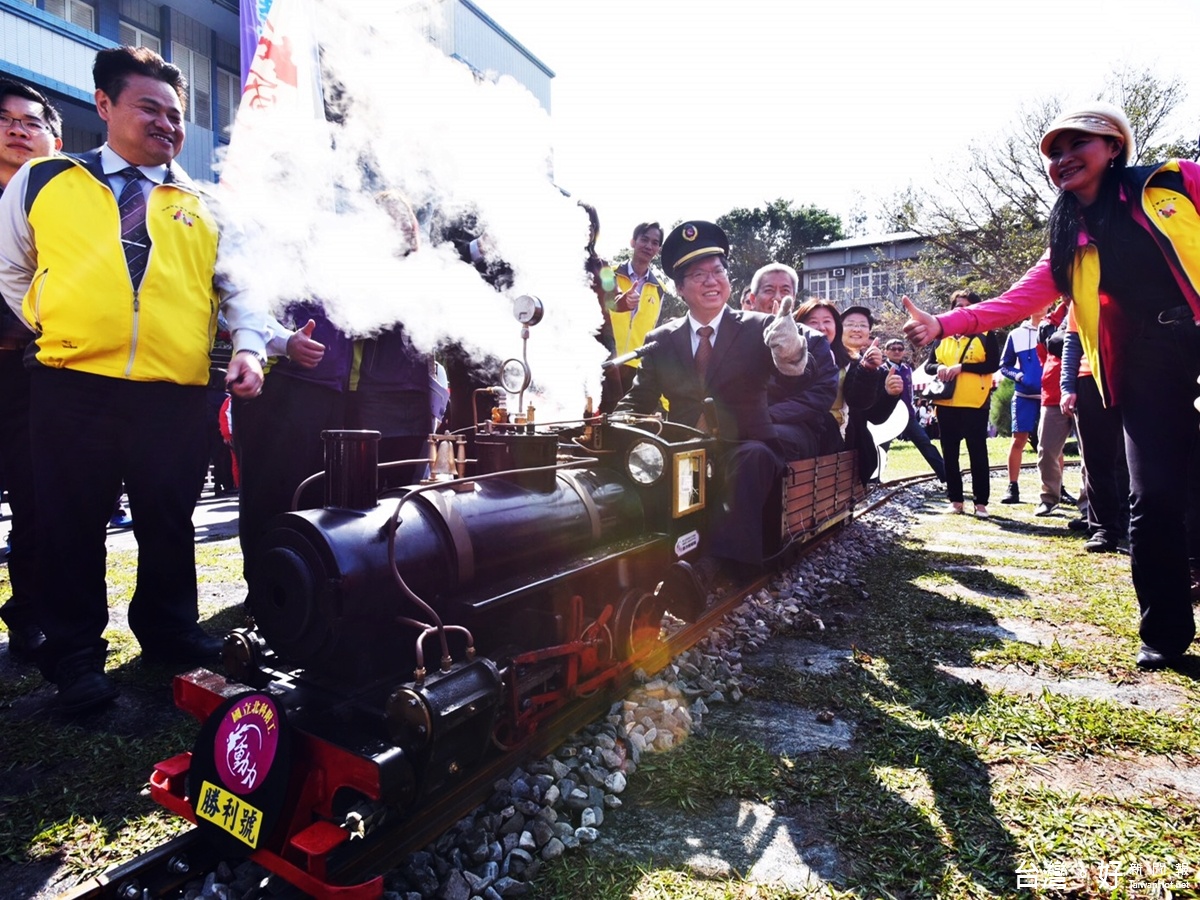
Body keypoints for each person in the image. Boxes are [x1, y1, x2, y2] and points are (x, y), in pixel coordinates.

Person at [0, 47, 270, 713]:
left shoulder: (205, 202)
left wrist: (253, 349)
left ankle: (172, 632)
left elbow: (240, 292)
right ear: (104, 106)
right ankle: (76, 658)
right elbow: (12, 270)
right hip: (72, 386)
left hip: (174, 391)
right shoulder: (44, 180)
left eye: (175, 114)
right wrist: (54, 322)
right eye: (149, 107)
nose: (167, 123)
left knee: (168, 521)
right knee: (71, 523)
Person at [903, 102, 1200, 670]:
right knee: (1154, 496)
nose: (1063, 159)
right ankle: (1164, 636)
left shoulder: (1176, 184)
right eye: (1054, 153)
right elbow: (1018, 299)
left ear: (1114, 145)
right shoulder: (1070, 238)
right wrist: (943, 324)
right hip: (1145, 365)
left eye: (1078, 144)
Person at [616, 221, 807, 575]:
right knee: (648, 468)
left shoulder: (759, 326)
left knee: (749, 460)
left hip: (746, 445)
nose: (710, 281)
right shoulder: (661, 339)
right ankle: (653, 561)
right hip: (685, 451)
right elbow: (639, 399)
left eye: (717, 271)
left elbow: (792, 367)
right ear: (679, 288)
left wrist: (792, 347)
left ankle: (717, 568)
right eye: (697, 274)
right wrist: (612, 422)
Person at [0, 80, 62, 662]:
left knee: (37, 501)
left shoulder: (69, 211)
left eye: (32, 121)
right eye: (6, 119)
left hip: (34, 376)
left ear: (55, 138)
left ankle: (29, 615)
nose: (19, 129)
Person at [745, 263, 838, 460]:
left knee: (760, 443)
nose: (777, 297)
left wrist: (769, 415)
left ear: (793, 299)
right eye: (769, 290)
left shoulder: (814, 340)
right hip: (743, 422)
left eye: (785, 291)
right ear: (753, 299)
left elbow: (821, 395)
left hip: (796, 427)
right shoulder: (736, 337)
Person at [921, 291, 1001, 516]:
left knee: (977, 452)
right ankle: (955, 500)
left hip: (975, 402)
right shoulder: (942, 336)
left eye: (966, 305)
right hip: (946, 402)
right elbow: (929, 366)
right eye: (957, 305)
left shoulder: (985, 333)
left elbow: (992, 364)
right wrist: (940, 368)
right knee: (950, 453)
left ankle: (981, 503)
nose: (960, 309)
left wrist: (962, 368)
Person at [839, 306, 903, 484]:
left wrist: (891, 395)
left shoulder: (877, 370)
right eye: (850, 324)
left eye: (862, 325)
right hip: (827, 443)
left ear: (869, 332)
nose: (856, 329)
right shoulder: (827, 360)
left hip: (855, 449)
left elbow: (876, 417)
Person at [606, 222, 666, 400]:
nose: (649, 246)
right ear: (633, 242)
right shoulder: (609, 274)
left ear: (658, 249)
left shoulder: (660, 289)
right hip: (606, 363)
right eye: (644, 239)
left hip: (636, 368)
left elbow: (653, 329)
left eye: (655, 243)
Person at [998, 313, 1045, 504]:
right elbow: (1005, 365)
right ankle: (1012, 487)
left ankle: (1057, 487)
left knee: (1053, 445)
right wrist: (1020, 377)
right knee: (1019, 440)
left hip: (1050, 396)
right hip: (1024, 395)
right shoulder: (1016, 334)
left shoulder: (1057, 329)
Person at [883, 338, 946, 481]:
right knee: (882, 447)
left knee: (925, 443)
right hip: (889, 415)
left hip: (908, 415)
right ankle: (873, 480)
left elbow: (910, 393)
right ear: (886, 351)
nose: (897, 351)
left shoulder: (907, 369)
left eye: (900, 348)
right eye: (893, 349)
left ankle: (946, 476)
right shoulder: (882, 369)